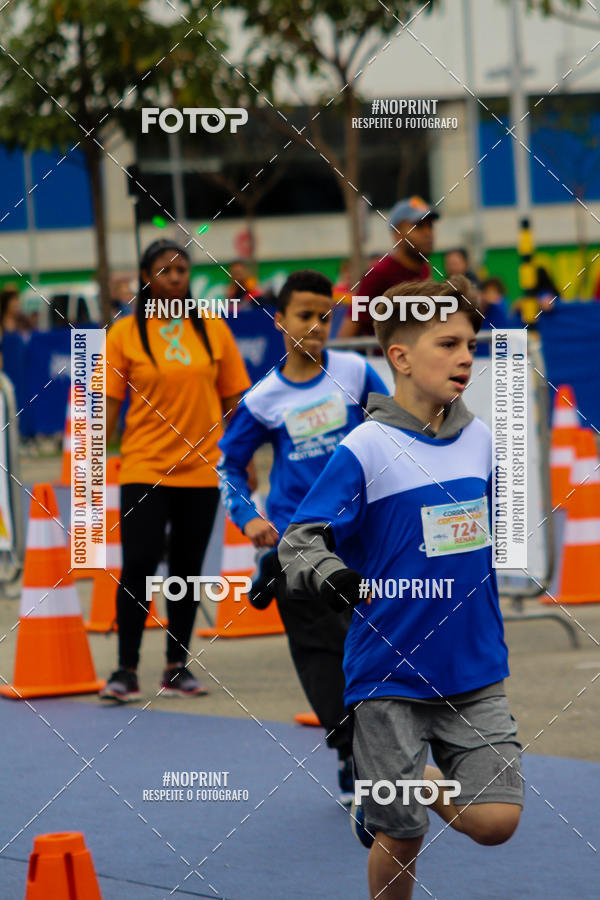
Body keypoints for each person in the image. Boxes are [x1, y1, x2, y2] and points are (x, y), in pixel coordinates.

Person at [279, 275, 523, 899]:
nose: (467, 355)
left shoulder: (481, 440)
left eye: (471, 342)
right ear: (400, 357)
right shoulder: (366, 448)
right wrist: (332, 575)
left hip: (474, 669)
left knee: (497, 822)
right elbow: (300, 540)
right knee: (402, 836)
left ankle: (410, 784)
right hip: (387, 675)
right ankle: (394, 798)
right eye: (448, 343)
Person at [217, 269, 388, 803]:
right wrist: (248, 519)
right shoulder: (264, 398)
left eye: (325, 316)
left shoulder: (358, 373)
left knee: (370, 646)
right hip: (299, 542)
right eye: (304, 316)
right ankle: (351, 754)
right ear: (279, 321)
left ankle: (377, 751)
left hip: (364, 536)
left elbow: (395, 430)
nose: (316, 326)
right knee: (320, 654)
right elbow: (228, 466)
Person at [100, 239, 251, 702]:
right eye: (165, 271)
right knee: (140, 563)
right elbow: (108, 403)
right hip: (144, 465)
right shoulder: (124, 333)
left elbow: (233, 400)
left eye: (182, 270)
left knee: (187, 568)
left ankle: (176, 665)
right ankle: (125, 669)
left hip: (203, 468)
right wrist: (94, 459)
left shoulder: (211, 328)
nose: (175, 278)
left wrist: (241, 460)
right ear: (147, 277)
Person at [337, 196, 438, 338]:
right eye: (419, 226)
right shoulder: (378, 274)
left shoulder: (424, 269)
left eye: (430, 226)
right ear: (397, 234)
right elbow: (346, 335)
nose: (428, 233)